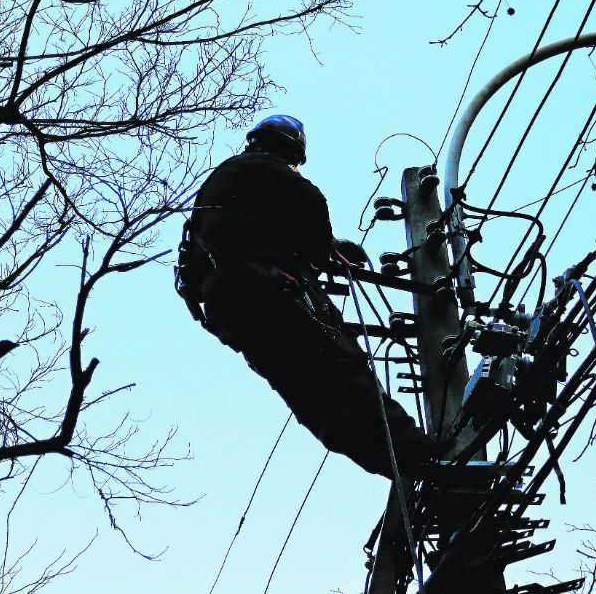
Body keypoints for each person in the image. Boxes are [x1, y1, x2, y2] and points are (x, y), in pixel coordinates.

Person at [175, 114, 440, 479]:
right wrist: (322, 250)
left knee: (316, 403)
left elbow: (257, 230)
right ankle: (421, 457)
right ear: (291, 150)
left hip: (234, 316)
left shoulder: (226, 186)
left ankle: (402, 465)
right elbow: (309, 206)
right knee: (346, 378)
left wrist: (327, 249)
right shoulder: (267, 172)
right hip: (273, 298)